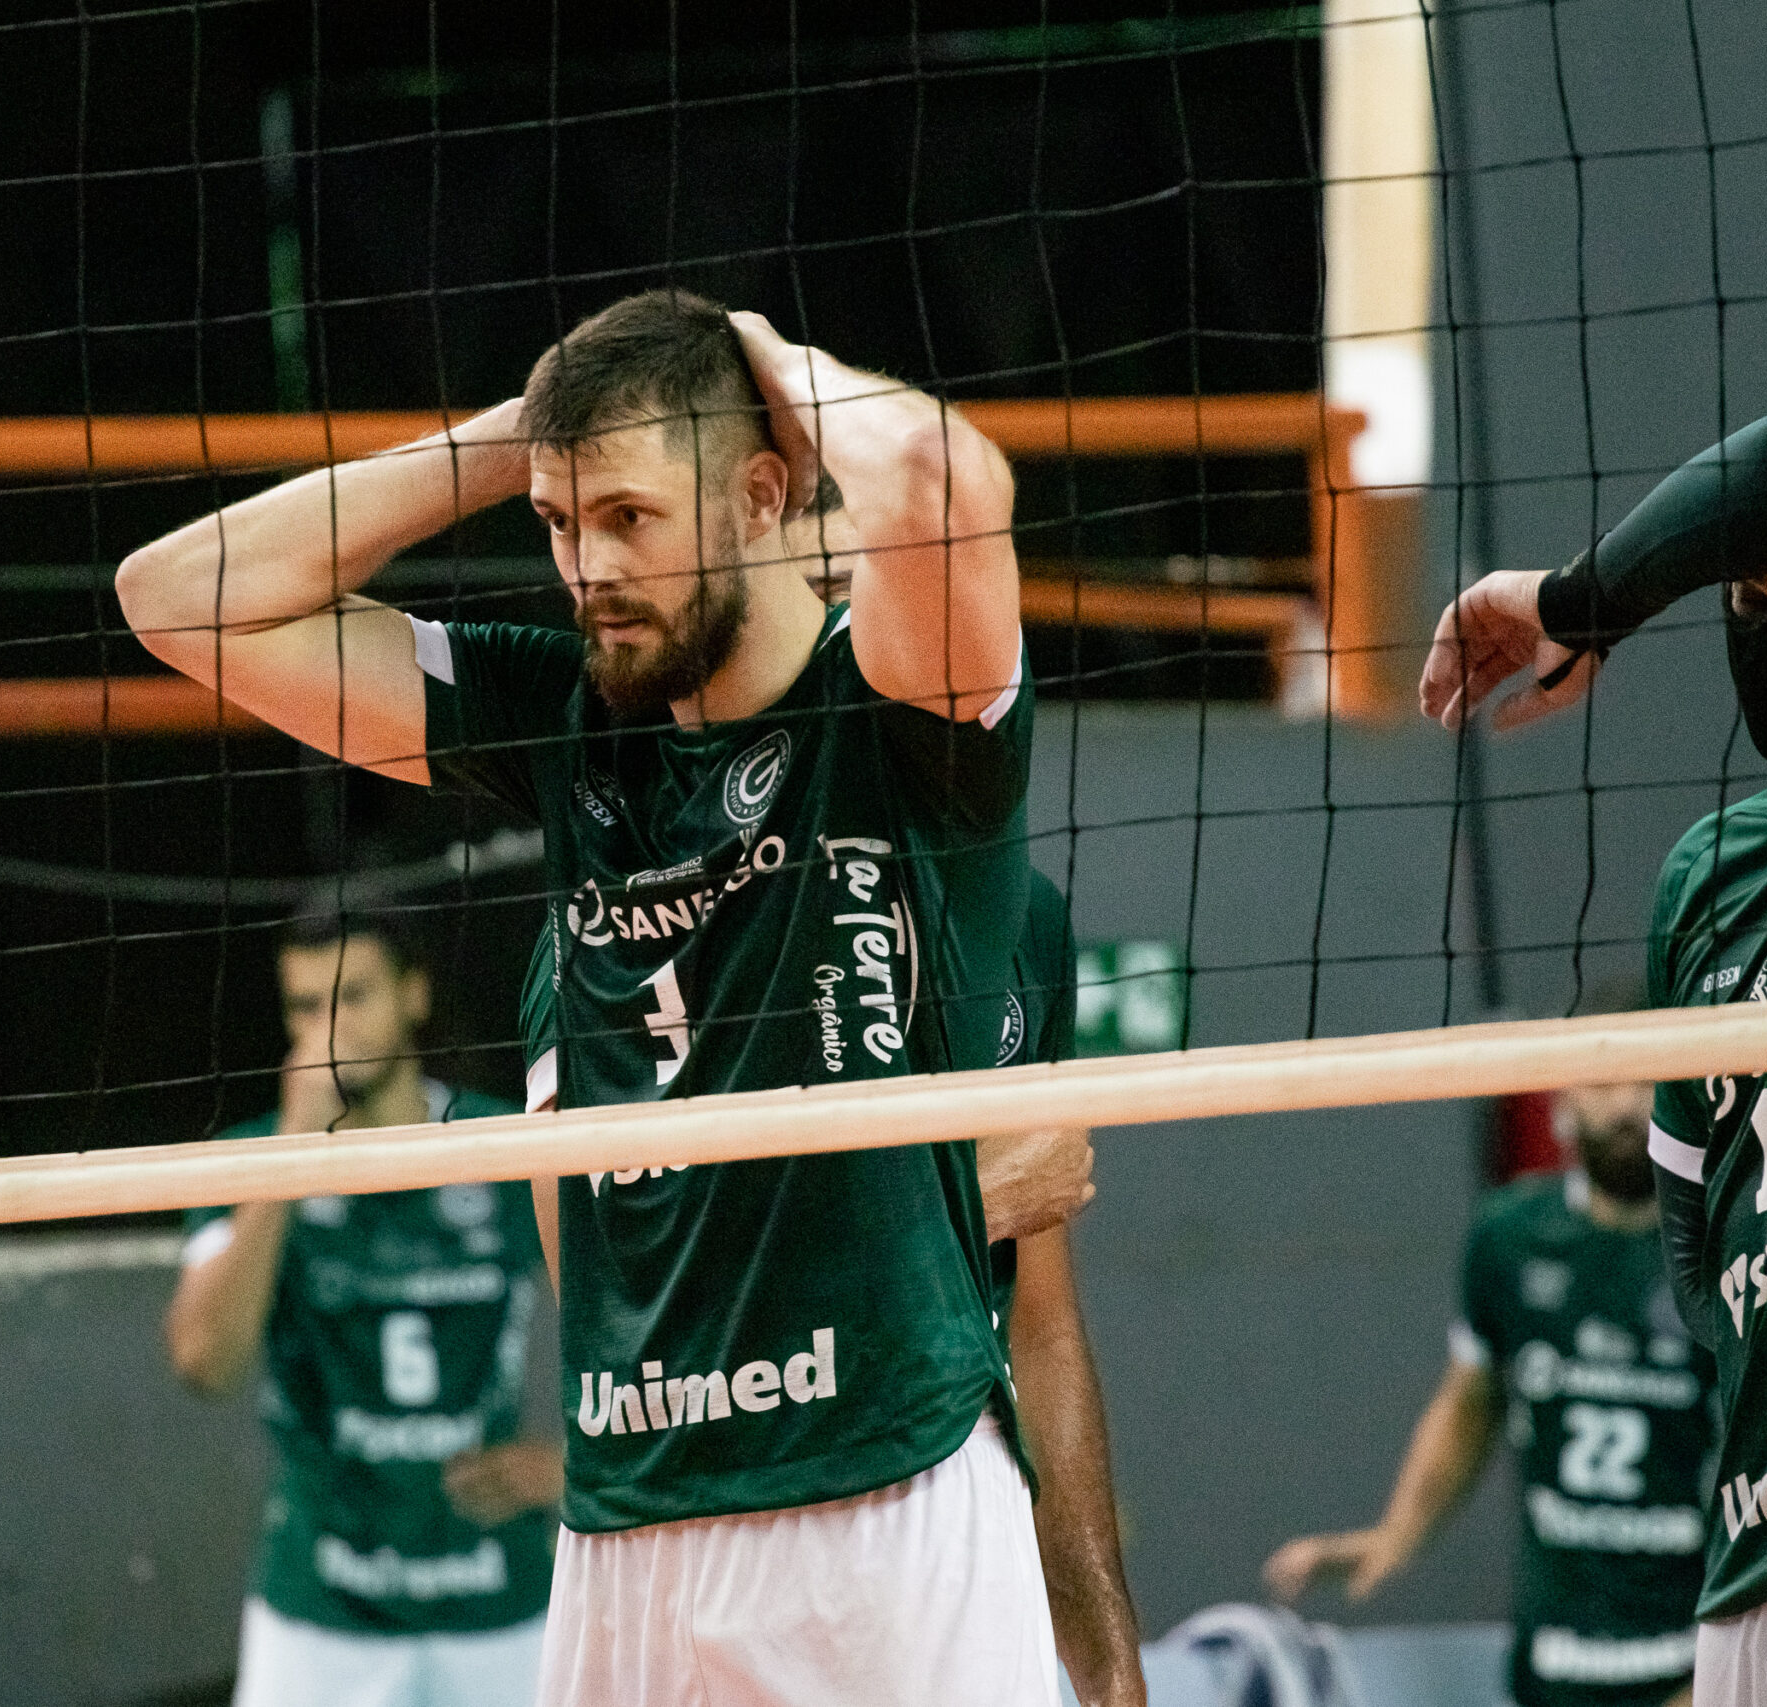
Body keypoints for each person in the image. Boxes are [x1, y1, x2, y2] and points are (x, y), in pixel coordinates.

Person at [120, 288, 1071, 1703]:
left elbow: (943, 480)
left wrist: (763, 358)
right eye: (562, 526)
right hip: (633, 1520)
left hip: (881, 1484)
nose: (586, 567)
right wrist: (518, 439)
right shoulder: (566, 722)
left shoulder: (894, 713)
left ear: (762, 492)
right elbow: (175, 597)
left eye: (629, 517)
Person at [1417, 399, 1767, 1706]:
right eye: (1746, 597)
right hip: (1760, 1568)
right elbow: (1697, 1250)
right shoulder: (1710, 874)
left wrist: (1579, 598)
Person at [517, 870, 1146, 1705]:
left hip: (922, 1491)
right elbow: (614, 1308)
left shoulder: (1010, 906)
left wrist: (1111, 1673)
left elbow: (1040, 1324)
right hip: (666, 1512)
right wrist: (961, 1205)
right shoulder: (608, 912)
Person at [168, 915, 556, 1707]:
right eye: (305, 1007)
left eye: (352, 996)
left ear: (414, 993)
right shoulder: (247, 1157)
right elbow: (205, 1360)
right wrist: (294, 1143)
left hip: (498, 1598)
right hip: (321, 1608)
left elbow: (637, 1319)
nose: (328, 1029)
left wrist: (575, 1468)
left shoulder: (505, 1140)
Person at [1262, 1070, 1717, 1707]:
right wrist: (1398, 1531)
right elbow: (1470, 1400)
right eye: (1603, 1083)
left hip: (1694, 1664)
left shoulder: (1724, 1246)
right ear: (1563, 1098)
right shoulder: (1509, 1238)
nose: (1623, 1106)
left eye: (1645, 1084)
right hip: (1553, 1665)